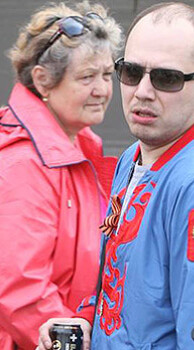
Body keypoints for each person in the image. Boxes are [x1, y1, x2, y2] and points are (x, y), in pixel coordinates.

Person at [0, 2, 122, 349]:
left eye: (106, 74)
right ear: (43, 80)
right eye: (87, 77)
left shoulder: (73, 152)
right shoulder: (23, 164)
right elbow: (22, 292)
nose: (102, 89)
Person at [38, 2, 194, 349]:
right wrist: (87, 321)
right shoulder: (131, 158)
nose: (142, 91)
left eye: (167, 78)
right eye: (131, 72)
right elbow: (123, 287)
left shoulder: (189, 184)